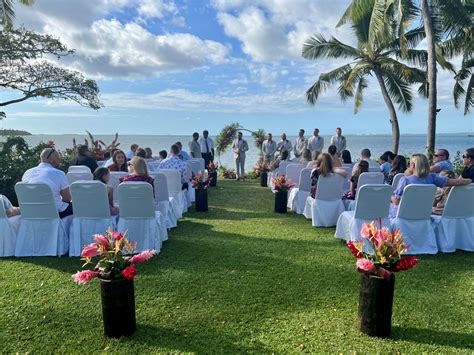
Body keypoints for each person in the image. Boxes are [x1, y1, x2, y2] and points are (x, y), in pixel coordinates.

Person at [390, 154, 470, 218]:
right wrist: (470, 180)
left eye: (409, 163)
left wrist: (390, 197)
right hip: (423, 214)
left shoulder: (405, 180)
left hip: (404, 215)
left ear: (413, 165)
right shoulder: (433, 178)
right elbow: (457, 182)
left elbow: (397, 202)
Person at [22, 148, 73, 218]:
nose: (59, 161)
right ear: (51, 159)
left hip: (31, 211)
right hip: (54, 212)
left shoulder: (27, 172)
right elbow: (67, 199)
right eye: (58, 158)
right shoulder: (59, 173)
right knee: (78, 207)